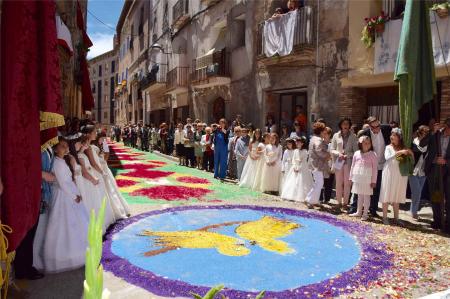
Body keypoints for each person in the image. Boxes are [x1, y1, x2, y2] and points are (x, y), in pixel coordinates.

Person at [43, 138, 88, 273]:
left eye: (66, 146)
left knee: (75, 224)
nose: (65, 148)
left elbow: (68, 179)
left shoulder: (63, 161)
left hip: (69, 192)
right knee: (63, 225)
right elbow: (63, 183)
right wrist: (74, 196)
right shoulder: (57, 163)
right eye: (61, 146)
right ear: (56, 149)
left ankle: (75, 252)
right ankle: (63, 256)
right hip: (64, 196)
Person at [78, 134, 115, 231]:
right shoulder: (80, 156)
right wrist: (94, 179)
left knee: (96, 200)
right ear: (80, 144)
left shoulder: (83, 155)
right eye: (85, 143)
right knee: (91, 201)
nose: (87, 145)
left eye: (87, 142)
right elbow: (84, 171)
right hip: (88, 181)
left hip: (91, 178)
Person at [379, 128, 413, 225]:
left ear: (399, 137)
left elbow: (408, 160)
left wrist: (409, 153)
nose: (392, 137)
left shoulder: (404, 148)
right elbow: (387, 157)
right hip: (389, 172)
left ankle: (396, 218)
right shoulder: (388, 147)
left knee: (397, 195)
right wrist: (399, 152)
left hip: (400, 174)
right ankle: (385, 217)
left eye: (394, 135)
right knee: (387, 193)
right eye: (391, 135)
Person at [94, 133, 130, 219]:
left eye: (104, 139)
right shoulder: (93, 146)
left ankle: (118, 208)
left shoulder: (103, 144)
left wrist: (104, 162)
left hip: (103, 167)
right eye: (102, 139)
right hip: (99, 168)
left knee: (110, 187)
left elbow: (107, 153)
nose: (103, 141)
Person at [361, 116, 392, 216]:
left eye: (377, 126)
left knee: (377, 187)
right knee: (367, 187)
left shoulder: (387, 129)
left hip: (383, 164)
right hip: (370, 165)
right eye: (373, 127)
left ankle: (373, 210)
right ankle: (360, 208)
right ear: (369, 126)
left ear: (379, 123)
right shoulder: (365, 133)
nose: (376, 129)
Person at [424, 118, 450, 233]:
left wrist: (446, 161)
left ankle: (448, 224)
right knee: (436, 196)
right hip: (435, 170)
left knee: (449, 198)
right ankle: (437, 221)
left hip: (448, 170)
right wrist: (432, 131)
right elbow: (422, 143)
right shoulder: (436, 134)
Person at [330, 118, 359, 209]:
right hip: (338, 162)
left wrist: (347, 155)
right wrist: (338, 153)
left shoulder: (353, 136)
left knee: (347, 183)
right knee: (338, 183)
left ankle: (345, 203)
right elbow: (331, 149)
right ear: (341, 125)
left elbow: (356, 151)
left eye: (347, 124)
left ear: (349, 125)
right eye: (343, 124)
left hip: (348, 162)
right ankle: (338, 202)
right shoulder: (336, 135)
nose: (345, 126)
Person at [349, 136, 378, 221]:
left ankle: (365, 213)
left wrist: (373, 181)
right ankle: (358, 212)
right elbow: (353, 165)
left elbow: (375, 169)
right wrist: (351, 177)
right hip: (358, 177)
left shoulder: (373, 154)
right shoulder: (356, 153)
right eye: (365, 143)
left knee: (366, 196)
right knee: (359, 195)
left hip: (367, 178)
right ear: (361, 144)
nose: (367, 145)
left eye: (369, 143)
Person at [305, 122, 331, 208]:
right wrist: (328, 154)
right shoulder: (318, 140)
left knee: (318, 183)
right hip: (317, 165)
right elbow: (319, 151)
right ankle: (310, 200)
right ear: (321, 131)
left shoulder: (313, 138)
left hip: (313, 164)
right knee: (319, 183)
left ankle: (312, 199)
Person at [281, 137, 312, 202]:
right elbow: (293, 160)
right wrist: (295, 166)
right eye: (296, 142)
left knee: (301, 182)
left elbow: (303, 161)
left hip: (302, 168)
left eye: (299, 142)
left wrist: (299, 168)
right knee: (292, 181)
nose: (297, 143)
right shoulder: (295, 151)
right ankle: (291, 195)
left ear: (302, 143)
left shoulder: (305, 151)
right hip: (295, 167)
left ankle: (301, 196)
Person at [409, 125, 430, 219]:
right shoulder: (413, 142)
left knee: (418, 193)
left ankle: (413, 210)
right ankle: (414, 212)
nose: (425, 134)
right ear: (420, 132)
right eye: (424, 132)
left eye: (426, 133)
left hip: (423, 171)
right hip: (413, 171)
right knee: (416, 192)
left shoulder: (429, 143)